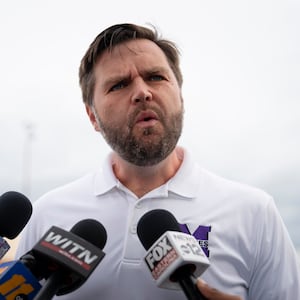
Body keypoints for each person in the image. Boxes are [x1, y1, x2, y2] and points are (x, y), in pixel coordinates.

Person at [16, 23, 299, 300]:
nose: (142, 92)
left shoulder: (254, 213)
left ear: (180, 97)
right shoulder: (48, 213)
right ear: (93, 117)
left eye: (155, 77)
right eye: (119, 84)